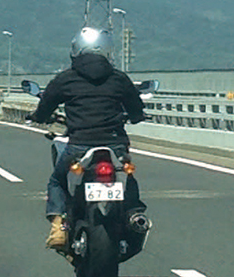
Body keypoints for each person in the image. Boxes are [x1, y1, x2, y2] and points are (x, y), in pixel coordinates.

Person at [26, 27, 148, 250]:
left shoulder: (65, 79)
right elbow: (136, 110)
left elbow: (45, 107)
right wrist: (137, 116)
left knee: (57, 181)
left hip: (80, 145)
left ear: (76, 49)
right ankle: (134, 214)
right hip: (115, 144)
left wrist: (38, 116)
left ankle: (58, 226)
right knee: (127, 177)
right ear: (108, 51)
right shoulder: (119, 79)